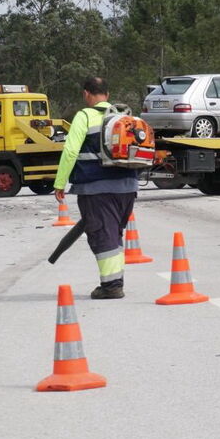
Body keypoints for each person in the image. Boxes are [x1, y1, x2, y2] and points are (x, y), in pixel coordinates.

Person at [54, 77, 138, 300]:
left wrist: (60, 182)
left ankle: (111, 286)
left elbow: (71, 151)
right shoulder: (123, 117)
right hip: (128, 188)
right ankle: (115, 281)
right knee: (113, 235)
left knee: (103, 236)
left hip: (96, 188)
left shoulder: (84, 116)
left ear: (86, 94)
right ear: (107, 95)